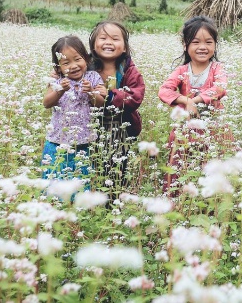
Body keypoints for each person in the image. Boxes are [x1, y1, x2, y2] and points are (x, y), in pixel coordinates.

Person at [158, 15, 231, 193]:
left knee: (212, 167)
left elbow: (220, 87)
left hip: (213, 129)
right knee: (180, 167)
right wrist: (185, 100)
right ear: (185, 45)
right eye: (196, 42)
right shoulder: (181, 70)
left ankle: (209, 206)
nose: (202, 47)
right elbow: (164, 91)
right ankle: (177, 203)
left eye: (208, 42)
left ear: (215, 45)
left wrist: (195, 100)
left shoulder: (216, 68)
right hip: (186, 130)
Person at [89, 20, 146, 192]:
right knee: (92, 165)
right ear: (93, 45)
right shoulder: (87, 66)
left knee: (117, 167)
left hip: (119, 128)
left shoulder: (128, 70)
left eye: (115, 39)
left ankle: (113, 201)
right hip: (90, 127)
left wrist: (113, 95)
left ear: (125, 48)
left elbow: (136, 95)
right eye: (103, 38)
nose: (108, 42)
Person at [41, 35, 104, 182]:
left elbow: (100, 103)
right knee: (54, 181)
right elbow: (46, 103)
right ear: (58, 67)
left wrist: (90, 92)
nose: (73, 66)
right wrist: (60, 90)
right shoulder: (57, 80)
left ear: (86, 59)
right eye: (66, 63)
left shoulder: (93, 77)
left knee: (80, 182)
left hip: (83, 143)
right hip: (57, 141)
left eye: (77, 59)